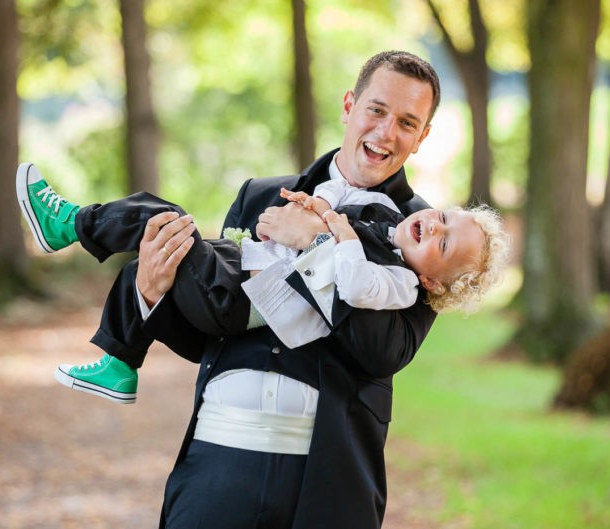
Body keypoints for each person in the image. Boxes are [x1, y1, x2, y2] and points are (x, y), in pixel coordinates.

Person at [35, 50, 471, 528]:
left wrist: (316, 241)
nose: (387, 132)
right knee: (168, 226)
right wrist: (154, 293)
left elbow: (382, 349)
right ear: (349, 106)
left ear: (423, 136)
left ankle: (72, 225)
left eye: (408, 122)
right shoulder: (260, 195)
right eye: (377, 109)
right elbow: (213, 329)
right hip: (215, 466)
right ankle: (81, 243)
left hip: (327, 484)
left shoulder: (429, 240)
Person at [17, 163, 508, 401]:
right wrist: (317, 210)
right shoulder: (383, 213)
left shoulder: (401, 283)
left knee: (165, 219)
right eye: (443, 218)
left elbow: (355, 287)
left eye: (443, 246)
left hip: (241, 303)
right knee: (145, 258)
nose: (434, 227)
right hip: (239, 265)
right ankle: (119, 362)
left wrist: (329, 235)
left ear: (435, 282)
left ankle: (70, 224)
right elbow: (332, 204)